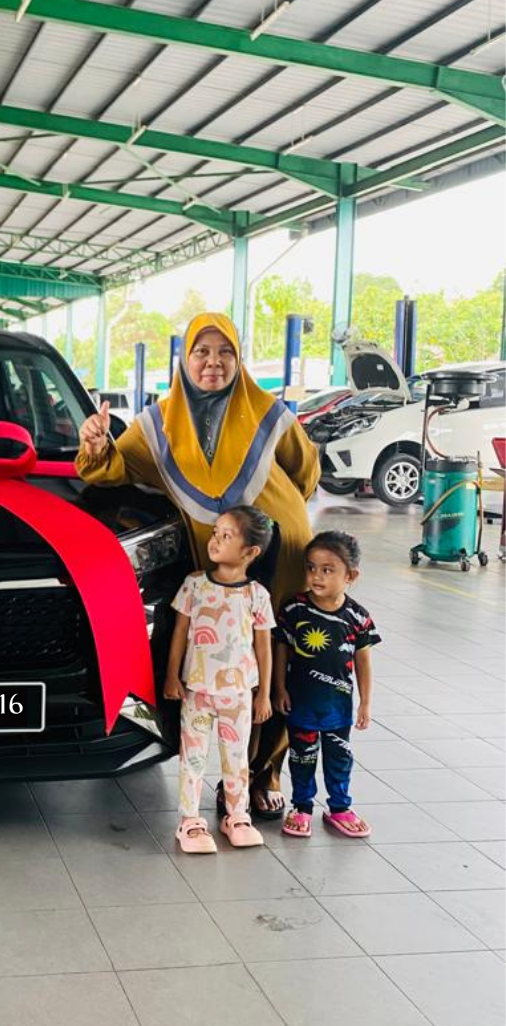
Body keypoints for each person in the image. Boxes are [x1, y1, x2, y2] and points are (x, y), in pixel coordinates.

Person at [77, 312, 319, 819]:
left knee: (277, 659)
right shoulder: (157, 424)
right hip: (216, 568)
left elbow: (305, 472)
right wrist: (96, 443)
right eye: (201, 352)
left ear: (238, 358)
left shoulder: (268, 413)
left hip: (282, 553)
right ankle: (223, 769)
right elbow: (114, 468)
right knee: (225, 666)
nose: (213, 362)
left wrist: (272, 517)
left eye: (225, 351)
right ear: (184, 360)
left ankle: (264, 774)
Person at [164, 506, 275, 853]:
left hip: (238, 695)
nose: (215, 540)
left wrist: (263, 694)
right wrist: (172, 676)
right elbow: (179, 633)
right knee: (193, 756)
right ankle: (189, 820)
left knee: (237, 757)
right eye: (215, 532)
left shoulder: (257, 595)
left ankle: (237, 816)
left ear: (250, 552)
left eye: (226, 536)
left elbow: (264, 647)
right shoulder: (194, 585)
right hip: (196, 691)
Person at [273, 531, 378, 838]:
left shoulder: (358, 617)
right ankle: (301, 807)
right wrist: (279, 688)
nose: (317, 576)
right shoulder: (294, 609)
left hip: (338, 707)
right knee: (301, 757)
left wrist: (365, 703)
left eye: (328, 569)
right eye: (311, 567)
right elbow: (281, 649)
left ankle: (340, 807)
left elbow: (363, 662)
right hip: (300, 704)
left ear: (351, 576)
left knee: (339, 758)